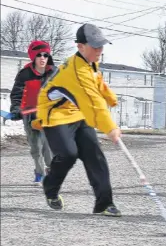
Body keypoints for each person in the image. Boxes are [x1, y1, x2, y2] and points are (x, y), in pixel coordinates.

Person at [33, 23, 122, 216]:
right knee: (68, 153)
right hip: (54, 114)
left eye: (101, 45)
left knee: (94, 154)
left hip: (78, 112)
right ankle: (50, 186)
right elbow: (93, 104)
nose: (99, 50)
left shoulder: (89, 62)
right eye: (95, 46)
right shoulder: (76, 71)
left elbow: (97, 82)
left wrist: (111, 97)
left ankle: (104, 203)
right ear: (80, 46)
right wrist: (110, 128)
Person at [9, 40, 54, 185]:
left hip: (49, 117)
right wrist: (16, 109)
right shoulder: (25, 74)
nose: (42, 58)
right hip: (30, 116)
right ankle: (39, 172)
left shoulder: (54, 72)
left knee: (48, 147)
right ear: (33, 57)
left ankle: (50, 169)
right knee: (35, 147)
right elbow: (17, 94)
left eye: (45, 55)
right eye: (39, 55)